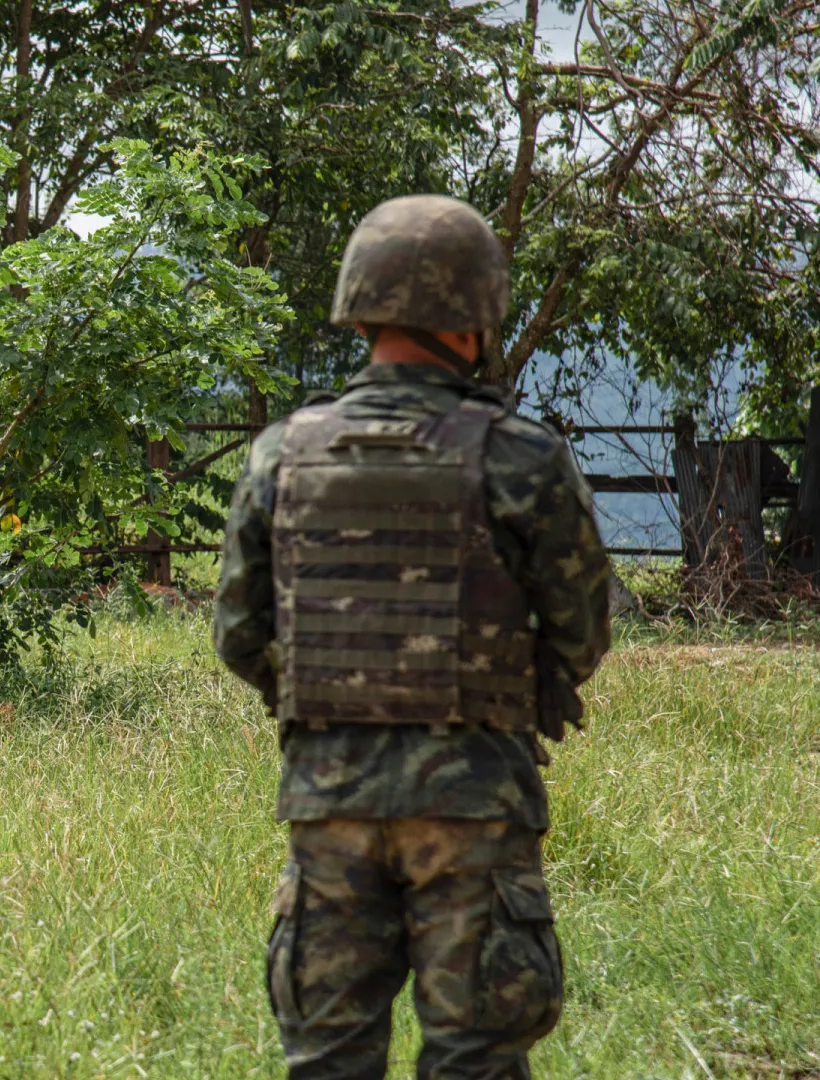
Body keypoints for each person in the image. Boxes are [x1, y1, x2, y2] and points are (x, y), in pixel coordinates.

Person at [213, 195, 612, 1079]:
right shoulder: (519, 456)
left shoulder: (282, 454)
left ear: (361, 305)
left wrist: (332, 699)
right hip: (473, 808)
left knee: (327, 1060)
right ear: (475, 313)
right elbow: (582, 627)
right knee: (475, 1059)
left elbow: (240, 633)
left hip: (330, 805)